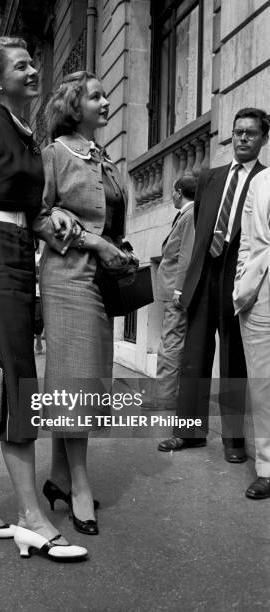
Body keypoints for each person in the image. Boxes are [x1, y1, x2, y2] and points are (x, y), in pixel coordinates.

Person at [0, 37, 87, 561]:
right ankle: (33, 516)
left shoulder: (29, 136)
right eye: (21, 66)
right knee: (18, 379)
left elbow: (27, 209)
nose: (34, 71)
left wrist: (55, 219)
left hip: (15, 252)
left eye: (33, 63)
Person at [33, 71, 130, 536]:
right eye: (96, 96)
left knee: (85, 376)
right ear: (75, 106)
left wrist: (118, 249)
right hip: (67, 276)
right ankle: (81, 488)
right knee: (75, 377)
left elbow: (111, 220)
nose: (106, 101)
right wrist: (93, 241)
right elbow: (36, 214)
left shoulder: (104, 158)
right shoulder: (54, 154)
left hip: (100, 279)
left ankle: (57, 477)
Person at [158, 108, 268, 462]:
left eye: (251, 133)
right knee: (193, 357)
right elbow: (200, 230)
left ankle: (234, 441)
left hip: (240, 278)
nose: (242, 138)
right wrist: (184, 281)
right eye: (238, 132)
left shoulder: (266, 181)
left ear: (264, 139)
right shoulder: (209, 178)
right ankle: (188, 433)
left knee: (234, 360)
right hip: (205, 275)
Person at [233, 165, 270, 499]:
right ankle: (267, 468)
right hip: (260, 293)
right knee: (262, 387)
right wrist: (241, 281)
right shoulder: (260, 181)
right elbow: (247, 238)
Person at [153, 176, 196, 410]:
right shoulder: (186, 215)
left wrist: (179, 289)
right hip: (172, 290)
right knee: (171, 341)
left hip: (175, 292)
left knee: (170, 343)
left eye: (172, 192)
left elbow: (185, 256)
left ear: (179, 192)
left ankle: (165, 398)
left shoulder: (189, 216)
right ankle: (167, 395)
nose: (171, 196)